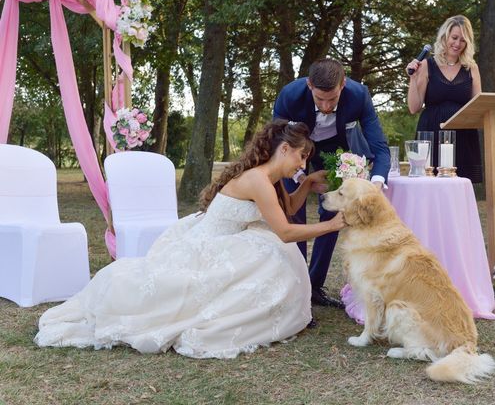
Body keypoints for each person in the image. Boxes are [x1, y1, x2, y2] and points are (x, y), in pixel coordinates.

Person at [35, 120, 346, 358]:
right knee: (272, 252)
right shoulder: (258, 180)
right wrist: (332, 225)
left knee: (275, 253)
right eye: (301, 157)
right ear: (285, 149)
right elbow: (285, 230)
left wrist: (306, 185)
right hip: (209, 245)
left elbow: (287, 209)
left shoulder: (269, 178)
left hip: (225, 238)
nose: (302, 164)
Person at [274, 58, 391, 310]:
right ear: (309, 86)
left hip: (338, 152)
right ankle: (296, 287)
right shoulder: (290, 96)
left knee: (334, 213)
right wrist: (300, 177)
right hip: (297, 150)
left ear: (343, 84)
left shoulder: (359, 95)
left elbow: (380, 147)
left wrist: (377, 183)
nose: (326, 107)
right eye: (319, 99)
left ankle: (314, 285)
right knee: (294, 213)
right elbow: (276, 142)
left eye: (333, 99)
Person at [406, 15, 483, 182]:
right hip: (431, 133)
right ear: (445, 37)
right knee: (429, 186)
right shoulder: (427, 65)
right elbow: (413, 107)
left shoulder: (471, 68)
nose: (457, 44)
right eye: (454, 38)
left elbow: (478, 107)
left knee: (460, 187)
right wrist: (412, 78)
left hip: (463, 135)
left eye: (463, 40)